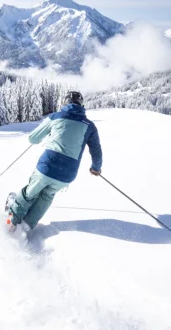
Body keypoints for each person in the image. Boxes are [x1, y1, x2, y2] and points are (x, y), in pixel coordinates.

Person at [5, 91, 102, 233]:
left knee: (29, 194)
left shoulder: (56, 117)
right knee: (46, 196)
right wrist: (96, 168)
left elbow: (33, 139)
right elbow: (96, 150)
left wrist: (50, 134)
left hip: (47, 166)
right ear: (81, 105)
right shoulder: (90, 126)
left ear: (65, 103)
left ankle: (12, 222)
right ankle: (26, 227)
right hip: (67, 174)